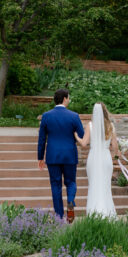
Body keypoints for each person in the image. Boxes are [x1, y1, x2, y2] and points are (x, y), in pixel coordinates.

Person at [37, 88, 84, 222]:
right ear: (64, 98)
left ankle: (59, 216)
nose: (69, 100)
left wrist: (40, 157)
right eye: (68, 97)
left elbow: (41, 139)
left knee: (55, 185)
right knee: (71, 182)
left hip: (52, 156)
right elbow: (81, 135)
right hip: (69, 154)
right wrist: (73, 137)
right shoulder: (74, 116)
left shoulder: (46, 116)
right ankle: (70, 201)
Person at [75, 102, 118, 218]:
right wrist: (112, 156)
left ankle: (94, 213)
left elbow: (84, 143)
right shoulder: (111, 126)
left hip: (93, 158)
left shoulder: (90, 125)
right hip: (106, 157)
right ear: (105, 111)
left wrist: (76, 136)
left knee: (94, 185)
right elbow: (115, 146)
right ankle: (108, 214)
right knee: (105, 186)